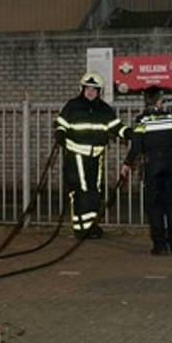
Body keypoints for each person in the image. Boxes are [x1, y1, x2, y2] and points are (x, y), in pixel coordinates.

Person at [54, 71, 130, 239]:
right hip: (76, 155)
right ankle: (81, 229)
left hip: (96, 157)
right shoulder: (72, 105)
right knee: (81, 192)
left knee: (94, 192)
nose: (90, 92)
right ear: (82, 89)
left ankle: (90, 225)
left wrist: (130, 133)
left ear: (99, 91)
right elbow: (61, 124)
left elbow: (116, 127)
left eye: (94, 89)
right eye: (88, 88)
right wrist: (60, 133)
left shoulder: (104, 109)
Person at [126, 87, 172, 255]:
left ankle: (159, 245)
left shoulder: (142, 120)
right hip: (171, 166)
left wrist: (127, 163)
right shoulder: (171, 118)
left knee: (154, 206)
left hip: (152, 167)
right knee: (171, 205)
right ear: (159, 101)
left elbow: (136, 146)